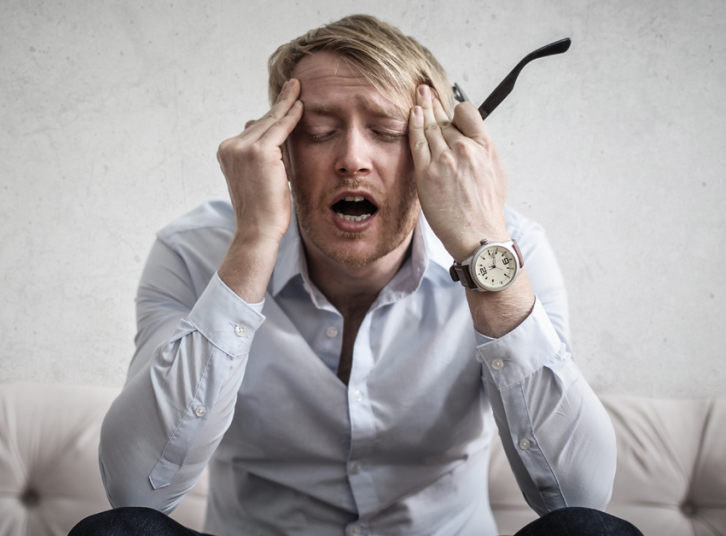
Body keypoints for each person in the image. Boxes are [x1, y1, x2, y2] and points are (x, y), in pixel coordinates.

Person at [76, 14, 641, 536]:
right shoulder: (191, 251)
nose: (352, 158)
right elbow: (135, 493)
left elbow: (579, 498)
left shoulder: (512, 251)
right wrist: (252, 243)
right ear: (280, 151)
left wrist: (482, 250)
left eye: (389, 131)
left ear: (438, 152)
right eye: (320, 130)